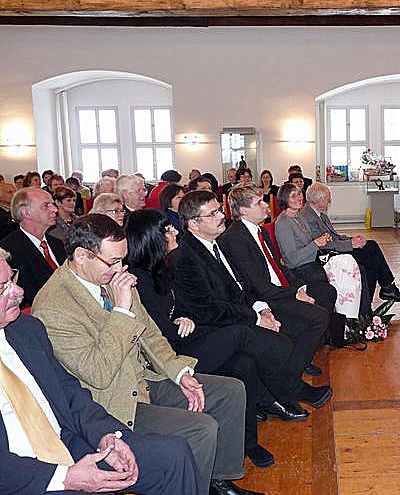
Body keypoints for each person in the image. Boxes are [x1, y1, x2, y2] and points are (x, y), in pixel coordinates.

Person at [31, 214, 260, 495]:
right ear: (81, 256)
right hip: (109, 401)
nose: (120, 268)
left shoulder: (109, 276)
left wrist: (179, 372)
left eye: (123, 259)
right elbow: (97, 374)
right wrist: (121, 310)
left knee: (230, 392)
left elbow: (150, 334)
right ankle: (197, 487)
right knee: (201, 428)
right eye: (113, 261)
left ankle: (217, 480)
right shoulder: (53, 307)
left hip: (141, 378)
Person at [0, 249, 201, 495]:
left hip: (69, 441)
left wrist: (105, 435)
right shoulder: (54, 305)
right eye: (2, 288)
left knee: (173, 455)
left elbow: (70, 394)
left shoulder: (26, 329)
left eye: (12, 279)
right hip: (20, 476)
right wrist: (65, 478)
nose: (18, 292)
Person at [127, 209, 304, 469]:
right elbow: (155, 333)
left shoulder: (162, 266)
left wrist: (182, 317)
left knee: (244, 364)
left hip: (185, 337)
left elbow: (181, 307)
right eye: (167, 229)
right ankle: (285, 373)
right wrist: (178, 322)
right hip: (171, 357)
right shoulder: (138, 279)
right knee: (243, 335)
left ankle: (248, 443)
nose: (174, 231)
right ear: (151, 238)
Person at [172, 190, 332, 406]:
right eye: (213, 214)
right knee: (281, 342)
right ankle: (288, 393)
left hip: (242, 310)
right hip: (215, 327)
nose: (222, 216)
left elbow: (243, 286)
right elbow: (209, 310)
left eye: (219, 210)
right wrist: (257, 318)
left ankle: (283, 393)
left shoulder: (215, 243)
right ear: (193, 224)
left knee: (297, 326)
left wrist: (263, 310)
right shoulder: (186, 258)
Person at [218, 184, 338, 378]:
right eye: (259, 202)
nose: (266, 205)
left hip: (280, 287)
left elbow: (279, 267)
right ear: (243, 210)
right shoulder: (235, 238)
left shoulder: (260, 231)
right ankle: (292, 372)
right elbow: (258, 286)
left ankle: (303, 352)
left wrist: (300, 287)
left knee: (327, 292)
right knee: (319, 317)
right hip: (267, 296)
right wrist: (295, 294)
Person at [301, 182, 400, 304]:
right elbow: (324, 245)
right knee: (371, 250)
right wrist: (350, 244)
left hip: (333, 248)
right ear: (320, 199)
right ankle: (386, 288)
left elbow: (335, 236)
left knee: (371, 256)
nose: (330, 201)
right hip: (326, 255)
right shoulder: (308, 217)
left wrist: (352, 239)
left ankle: (374, 299)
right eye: (328, 198)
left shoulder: (318, 213)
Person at [275, 183, 364, 318]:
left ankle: (360, 317)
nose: (299, 198)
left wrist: (323, 239)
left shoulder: (299, 217)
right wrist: (316, 244)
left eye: (299, 194)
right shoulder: (283, 223)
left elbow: (311, 242)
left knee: (357, 270)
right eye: (293, 196)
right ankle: (345, 320)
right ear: (284, 200)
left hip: (314, 262)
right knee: (343, 280)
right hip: (301, 269)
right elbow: (291, 260)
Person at [0, 188, 66, 309]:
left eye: (53, 204)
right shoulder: (8, 251)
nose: (55, 209)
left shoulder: (57, 244)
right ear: (26, 213)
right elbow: (25, 298)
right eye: (46, 206)